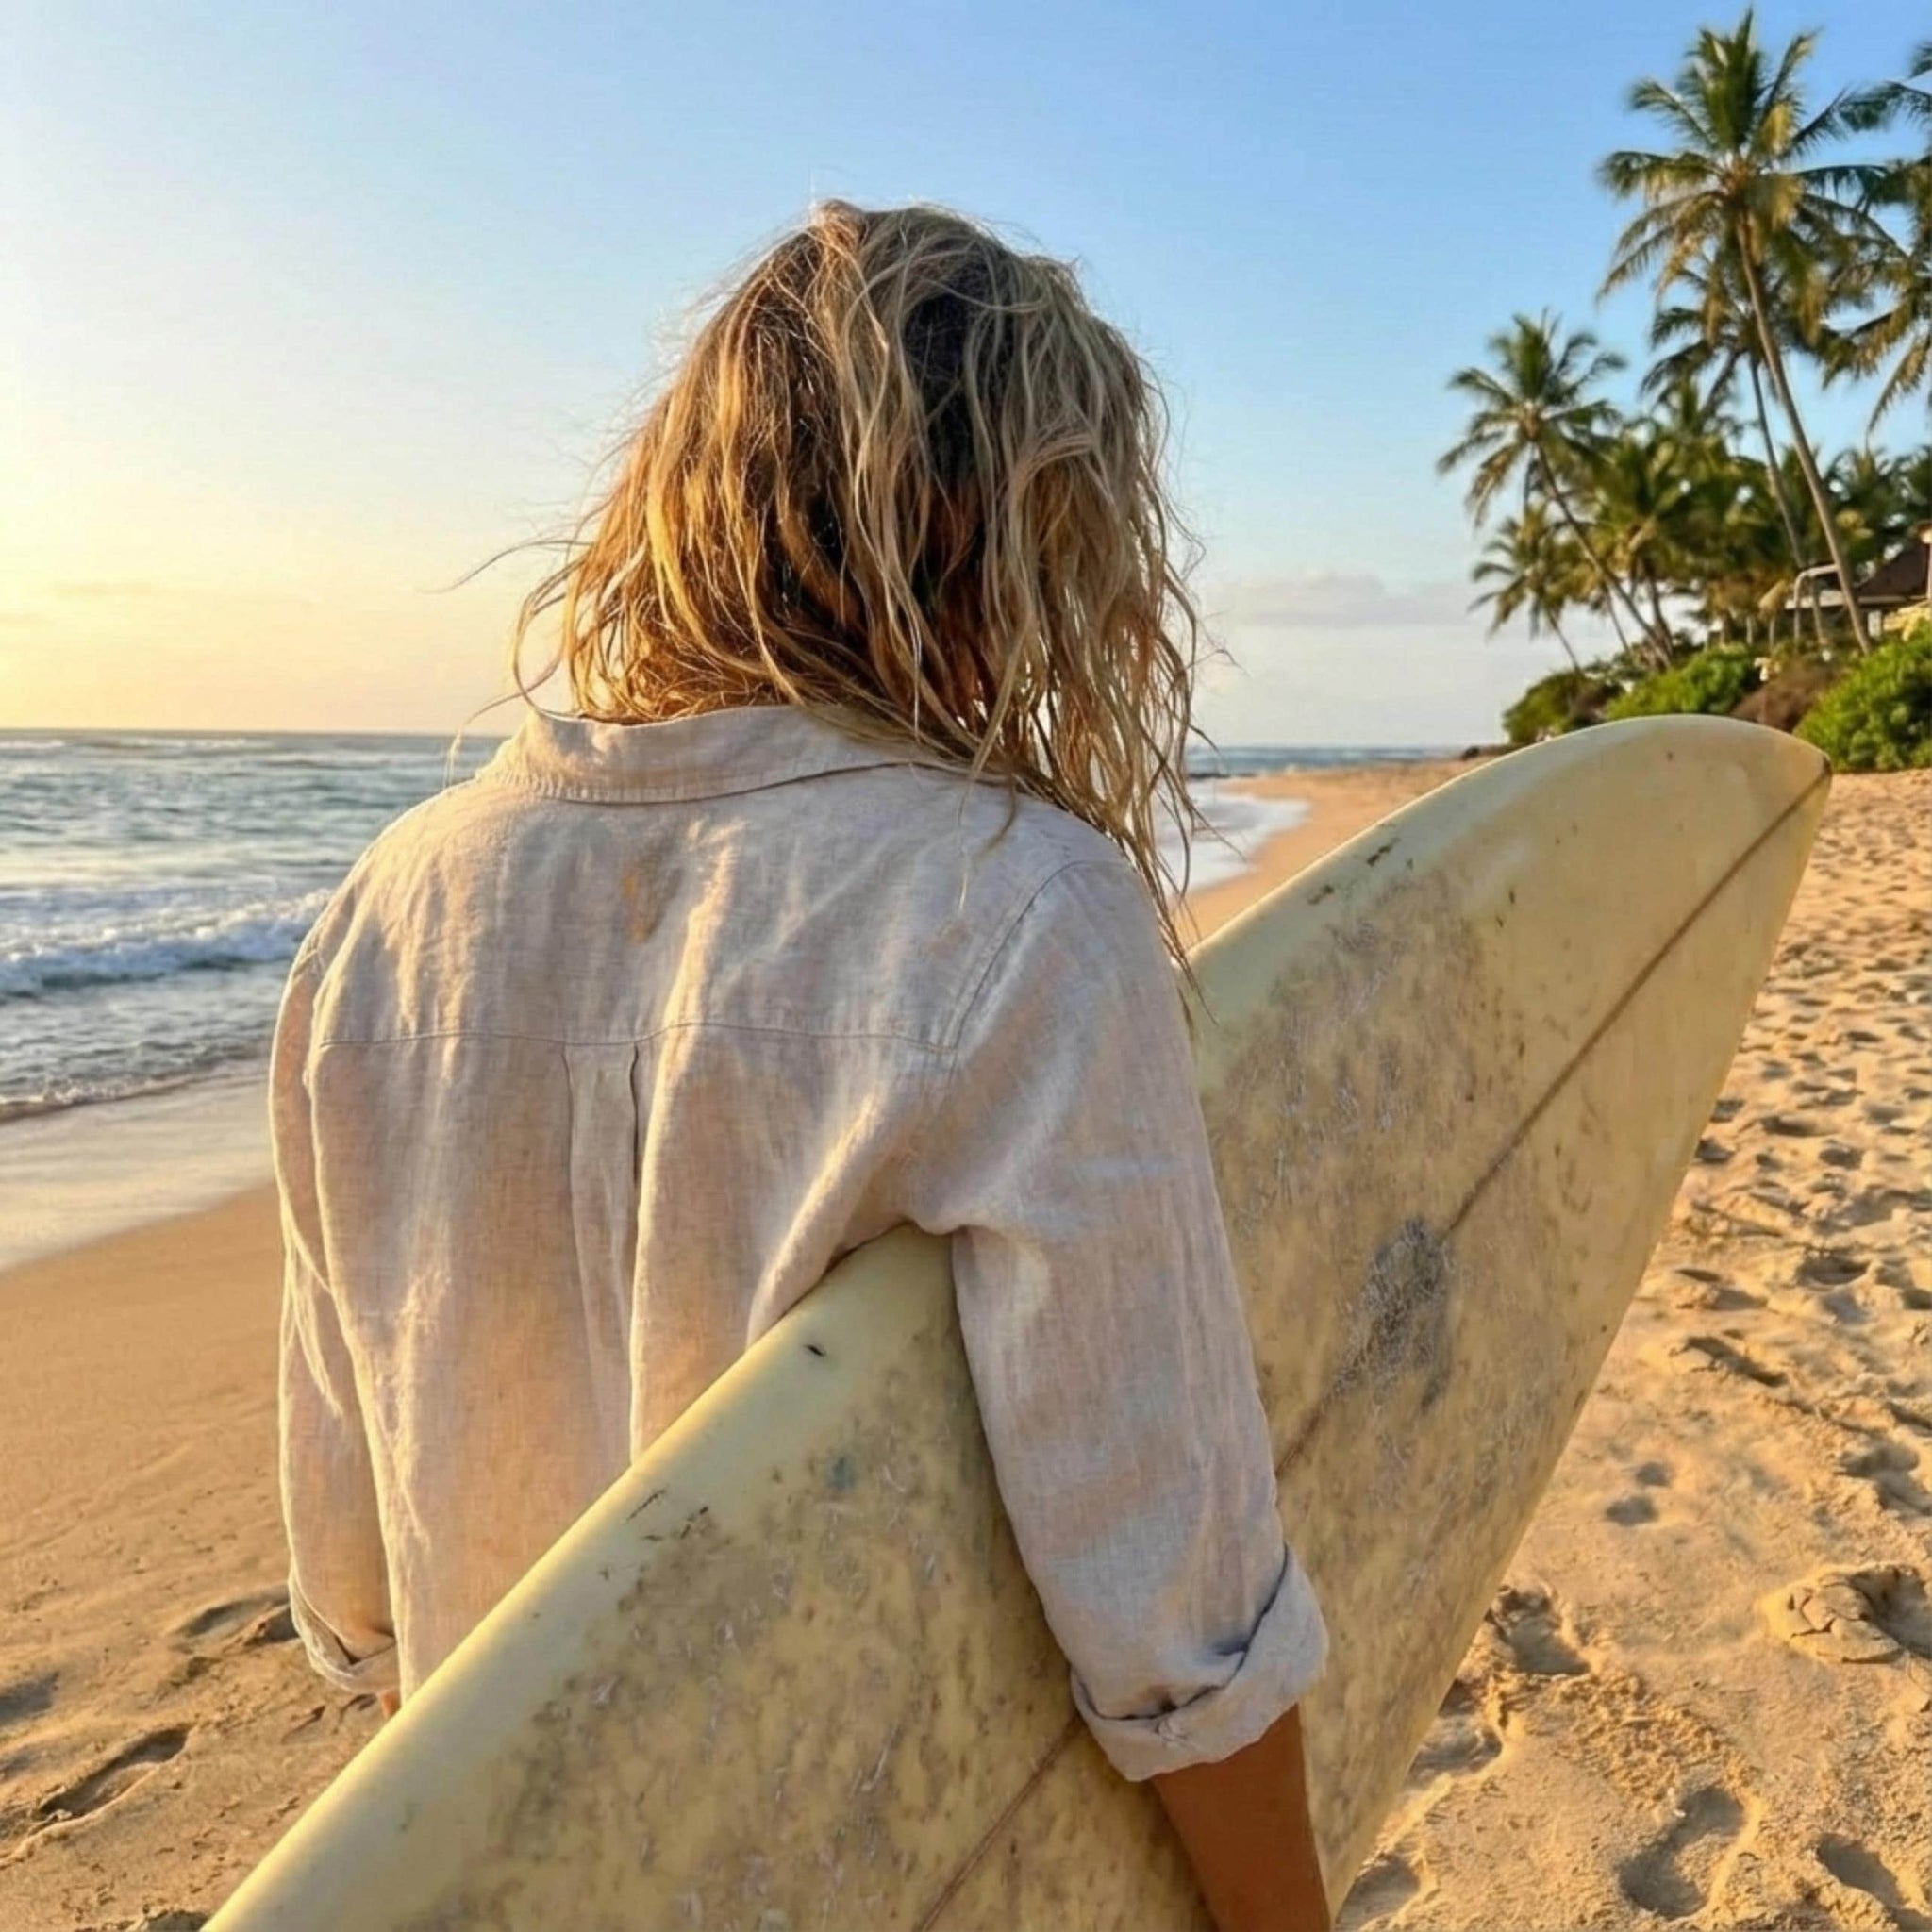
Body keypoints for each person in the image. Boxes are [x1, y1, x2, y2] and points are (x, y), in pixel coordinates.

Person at [272, 200, 1330, 1931]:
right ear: (984, 515)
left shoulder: (381, 915)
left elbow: (361, 1584)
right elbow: (1173, 1615)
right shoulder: (1015, 906)